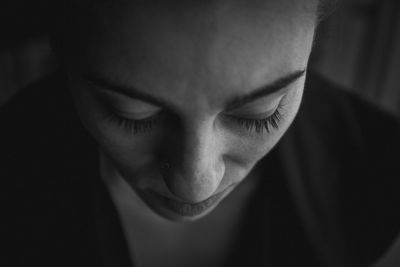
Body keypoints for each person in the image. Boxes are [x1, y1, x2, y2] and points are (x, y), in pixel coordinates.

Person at [1, 0, 400, 266]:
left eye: (259, 114)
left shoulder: (382, 176)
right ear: (63, 52)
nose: (195, 186)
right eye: (132, 114)